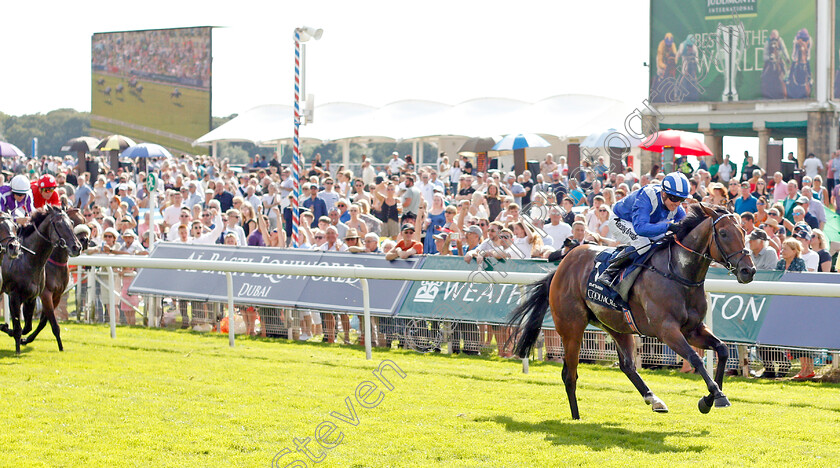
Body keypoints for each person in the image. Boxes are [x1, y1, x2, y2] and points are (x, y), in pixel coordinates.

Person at [597, 172, 689, 286]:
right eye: (674, 198)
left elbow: (686, 227)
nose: (677, 203)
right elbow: (640, 228)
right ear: (664, 193)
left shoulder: (677, 206)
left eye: (682, 199)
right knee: (642, 243)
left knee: (663, 242)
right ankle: (609, 272)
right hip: (620, 220)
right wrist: (668, 226)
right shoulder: (647, 196)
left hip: (643, 223)